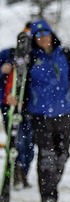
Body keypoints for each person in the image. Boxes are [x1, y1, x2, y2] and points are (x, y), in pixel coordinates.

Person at [26, 19, 70, 202]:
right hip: (40, 114)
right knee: (47, 156)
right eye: (39, 36)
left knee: (62, 154)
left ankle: (52, 183)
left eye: (46, 34)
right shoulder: (30, 57)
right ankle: (49, 196)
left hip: (64, 111)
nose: (43, 39)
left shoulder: (63, 54)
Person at [0, 22, 35, 191]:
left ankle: (24, 172)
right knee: (17, 141)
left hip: (29, 107)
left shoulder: (35, 58)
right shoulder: (7, 55)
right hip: (10, 106)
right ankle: (15, 172)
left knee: (29, 144)